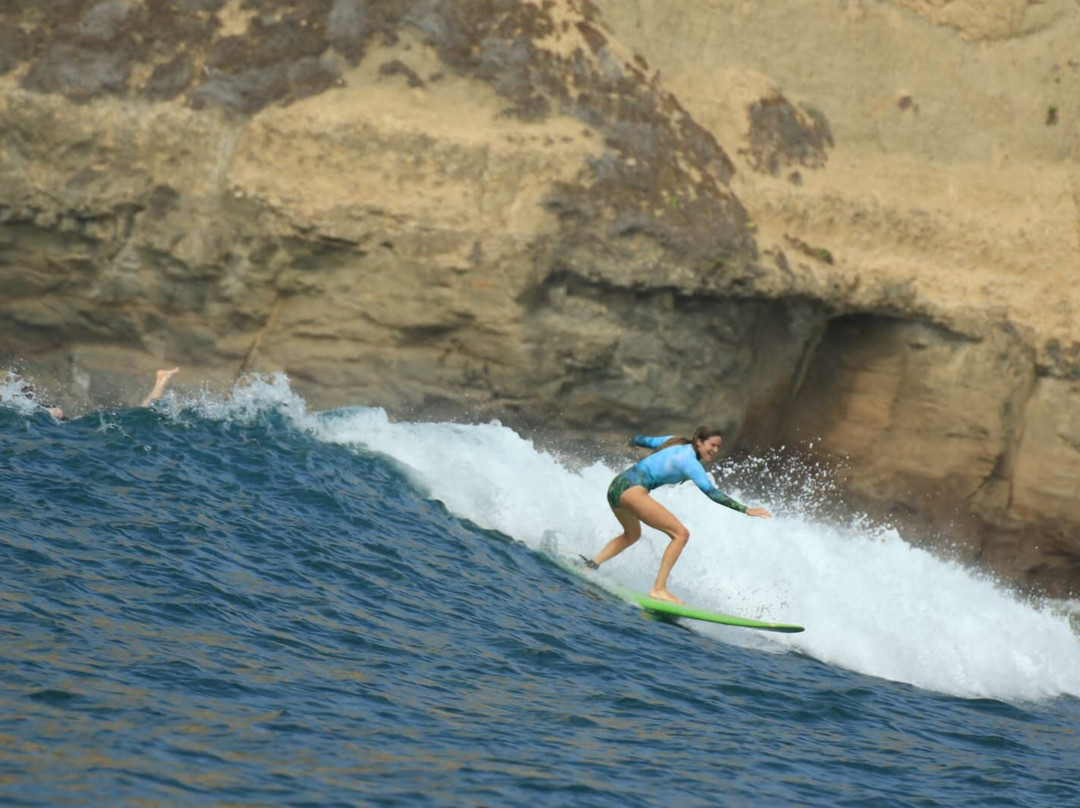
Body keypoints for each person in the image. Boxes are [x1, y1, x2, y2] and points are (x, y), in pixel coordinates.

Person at [583, 426, 772, 604]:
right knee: (681, 534)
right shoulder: (691, 463)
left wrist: (631, 443)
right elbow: (711, 492)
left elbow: (642, 439)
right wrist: (746, 509)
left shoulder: (673, 442)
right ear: (699, 441)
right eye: (712, 445)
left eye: (718, 447)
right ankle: (658, 589)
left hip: (616, 486)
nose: (715, 450)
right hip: (632, 491)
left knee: (632, 535)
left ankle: (591, 565)